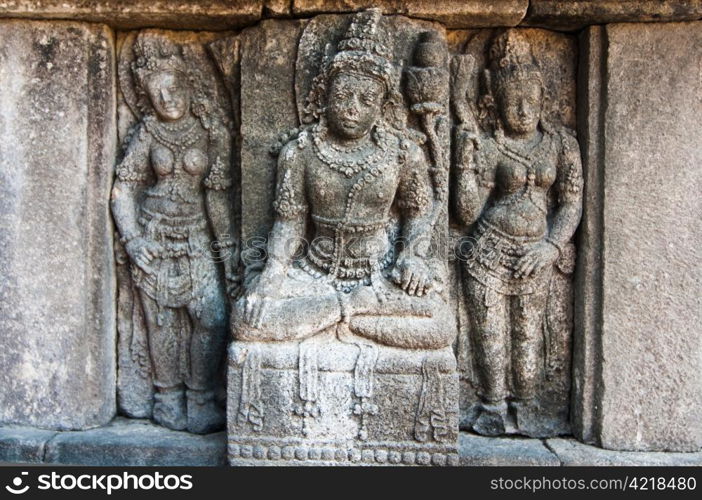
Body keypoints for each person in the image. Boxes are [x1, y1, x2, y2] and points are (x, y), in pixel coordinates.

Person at [233, 10, 453, 350]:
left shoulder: (403, 153)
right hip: (314, 273)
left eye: (366, 100)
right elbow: (289, 226)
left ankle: (333, 318)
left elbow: (418, 214)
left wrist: (412, 255)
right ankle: (351, 314)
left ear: (383, 104)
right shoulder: (300, 152)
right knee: (247, 320)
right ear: (324, 96)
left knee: (440, 326)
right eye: (342, 96)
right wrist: (273, 275)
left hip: (380, 275)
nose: (352, 108)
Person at [454, 29, 583, 435]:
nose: (523, 109)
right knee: (489, 339)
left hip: (536, 254)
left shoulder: (561, 144)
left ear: (544, 96)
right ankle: (490, 405)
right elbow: (467, 212)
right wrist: (463, 161)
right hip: (487, 253)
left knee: (528, 336)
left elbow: (571, 202)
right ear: (497, 102)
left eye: (530, 98)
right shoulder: (491, 146)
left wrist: (551, 244)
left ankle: (528, 406)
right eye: (513, 101)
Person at [111, 33, 238, 433]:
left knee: (213, 316)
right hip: (154, 235)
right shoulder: (148, 132)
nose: (167, 99)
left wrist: (228, 247)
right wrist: (132, 239)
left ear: (187, 85)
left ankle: (200, 395)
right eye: (157, 92)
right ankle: (166, 397)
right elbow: (123, 188)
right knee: (160, 320)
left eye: (173, 88)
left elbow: (218, 195)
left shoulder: (209, 129)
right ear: (146, 98)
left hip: (197, 235)